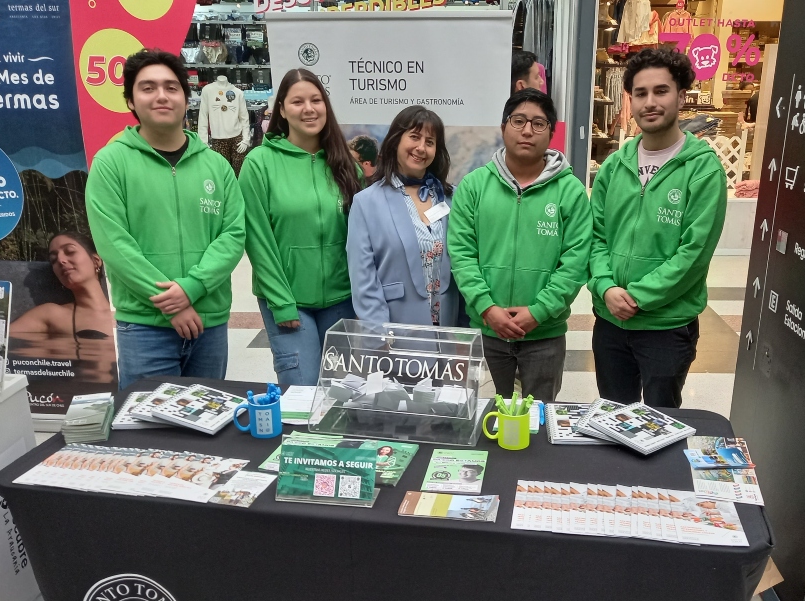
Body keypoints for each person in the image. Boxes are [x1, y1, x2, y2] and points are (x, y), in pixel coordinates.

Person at [85, 49, 245, 390]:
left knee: (209, 428)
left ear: (185, 99)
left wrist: (193, 287)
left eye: (171, 87)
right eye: (148, 87)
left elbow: (233, 234)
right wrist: (171, 305)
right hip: (145, 326)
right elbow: (114, 244)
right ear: (130, 100)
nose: (161, 95)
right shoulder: (111, 163)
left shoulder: (215, 165)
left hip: (209, 322)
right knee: (150, 434)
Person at [587, 48, 726, 408]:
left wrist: (638, 298)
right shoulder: (613, 167)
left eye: (661, 91)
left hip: (666, 325)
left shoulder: (702, 169)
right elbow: (595, 237)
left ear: (681, 96)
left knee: (660, 423)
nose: (650, 102)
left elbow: (693, 253)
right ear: (630, 99)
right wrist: (605, 288)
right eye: (641, 93)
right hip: (610, 322)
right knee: (614, 417)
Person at [448, 89, 592, 402]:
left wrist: (538, 311)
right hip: (488, 330)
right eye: (519, 121)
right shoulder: (473, 187)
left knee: (539, 418)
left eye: (539, 124)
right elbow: (462, 254)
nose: (527, 130)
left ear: (551, 133)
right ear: (503, 128)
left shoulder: (571, 192)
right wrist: (487, 308)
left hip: (544, 333)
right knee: (490, 417)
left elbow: (576, 262)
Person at [240, 68, 362, 386]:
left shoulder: (345, 164)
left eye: (316, 100)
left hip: (343, 299)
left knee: (343, 392)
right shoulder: (260, 163)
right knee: (301, 392)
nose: (308, 109)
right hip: (288, 300)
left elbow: (363, 238)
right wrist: (281, 302)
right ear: (281, 109)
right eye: (297, 101)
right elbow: (257, 240)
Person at [347, 105, 461, 327]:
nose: (421, 148)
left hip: (448, 330)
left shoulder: (452, 198)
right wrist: (380, 335)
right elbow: (364, 280)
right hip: (395, 333)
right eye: (414, 137)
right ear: (396, 141)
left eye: (430, 142)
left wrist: (464, 335)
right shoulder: (366, 203)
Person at [11, 232, 114, 342]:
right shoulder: (51, 314)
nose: (60, 260)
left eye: (70, 252)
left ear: (96, 261)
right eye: (53, 260)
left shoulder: (128, 311)